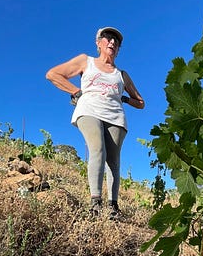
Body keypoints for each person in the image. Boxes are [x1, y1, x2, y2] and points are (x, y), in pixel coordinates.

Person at [46, 26, 145, 218]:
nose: (112, 42)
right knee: (98, 148)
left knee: (113, 160)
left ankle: (113, 206)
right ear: (98, 43)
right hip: (89, 109)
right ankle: (95, 203)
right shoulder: (86, 61)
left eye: (116, 41)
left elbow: (141, 103)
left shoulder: (121, 75)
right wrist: (76, 92)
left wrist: (124, 99)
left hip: (115, 116)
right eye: (108, 38)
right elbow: (53, 74)